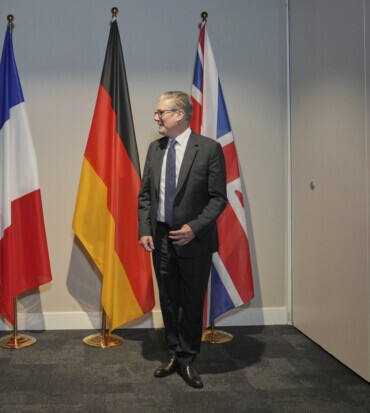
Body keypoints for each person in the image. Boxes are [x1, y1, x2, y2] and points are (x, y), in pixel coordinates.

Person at [138, 91, 227, 388]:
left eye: (160, 112)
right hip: (161, 238)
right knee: (168, 300)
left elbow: (218, 198)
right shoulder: (155, 149)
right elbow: (145, 196)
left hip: (194, 240)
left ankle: (188, 358)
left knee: (191, 302)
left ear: (179, 114)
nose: (156, 117)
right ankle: (175, 353)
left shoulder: (209, 149)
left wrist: (194, 228)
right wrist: (145, 229)